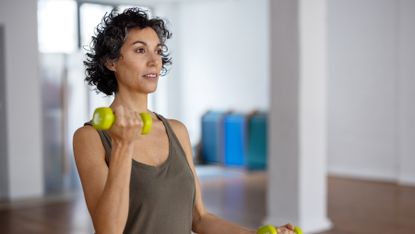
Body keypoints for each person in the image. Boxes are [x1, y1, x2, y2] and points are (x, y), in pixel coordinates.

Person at [73, 7, 296, 234]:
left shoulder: (176, 130)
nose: (154, 61)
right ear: (111, 62)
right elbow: (107, 230)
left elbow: (199, 218)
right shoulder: (90, 138)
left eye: (158, 51)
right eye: (140, 50)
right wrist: (123, 146)